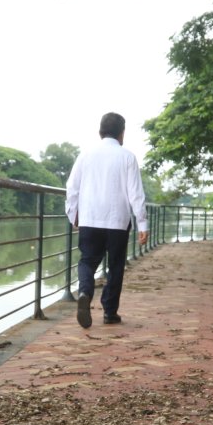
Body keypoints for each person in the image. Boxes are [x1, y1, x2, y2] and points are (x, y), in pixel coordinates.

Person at [64, 112, 148, 329]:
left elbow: (72, 188)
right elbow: (136, 194)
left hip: (90, 218)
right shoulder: (128, 157)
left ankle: (84, 292)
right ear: (122, 133)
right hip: (118, 221)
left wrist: (73, 214)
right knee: (116, 265)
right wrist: (142, 223)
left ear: (100, 131)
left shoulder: (85, 155)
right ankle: (110, 312)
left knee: (87, 261)